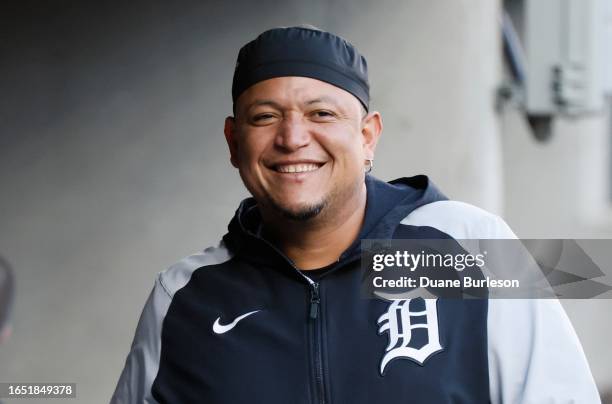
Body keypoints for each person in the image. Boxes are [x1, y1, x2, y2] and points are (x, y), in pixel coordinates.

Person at [111, 26, 601, 403]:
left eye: (321, 114)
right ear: (233, 142)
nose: (292, 138)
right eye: (265, 117)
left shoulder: (472, 246)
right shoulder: (185, 296)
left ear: (368, 137)